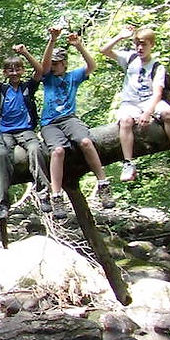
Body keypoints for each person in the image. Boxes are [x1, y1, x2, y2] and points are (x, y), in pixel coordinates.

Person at [40, 26, 114, 217]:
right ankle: (56, 195)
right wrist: (53, 39)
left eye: (57, 63)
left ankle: (103, 183)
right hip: (50, 123)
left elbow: (92, 66)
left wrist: (79, 46)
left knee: (86, 142)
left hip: (70, 119)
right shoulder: (47, 78)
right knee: (57, 151)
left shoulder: (73, 76)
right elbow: (44, 64)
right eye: (53, 63)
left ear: (64, 63)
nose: (54, 66)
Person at [100, 25, 170, 182]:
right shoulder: (130, 58)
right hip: (130, 103)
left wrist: (147, 113)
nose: (140, 48)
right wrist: (120, 36)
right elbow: (104, 50)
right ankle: (128, 163)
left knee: (169, 114)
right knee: (125, 121)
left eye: (144, 44)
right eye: (137, 44)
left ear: (152, 45)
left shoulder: (157, 67)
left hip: (149, 101)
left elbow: (158, 93)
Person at [0, 44, 51, 219]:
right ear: (5, 73)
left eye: (18, 69)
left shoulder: (28, 87)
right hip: (5, 133)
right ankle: (2, 202)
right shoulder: (2, 89)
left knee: (36, 150)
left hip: (26, 130)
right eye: (10, 70)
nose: (14, 72)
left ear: (23, 70)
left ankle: (43, 193)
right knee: (1, 154)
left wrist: (25, 52)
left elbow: (40, 71)